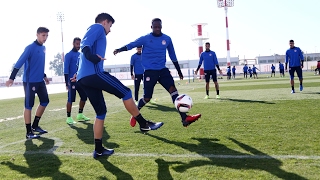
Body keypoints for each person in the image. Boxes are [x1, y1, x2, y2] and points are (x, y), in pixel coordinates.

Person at [74, 13, 163, 158]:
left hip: (84, 78)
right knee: (126, 92)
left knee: (101, 112)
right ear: (104, 22)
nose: (110, 29)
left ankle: (98, 150)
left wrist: (77, 73)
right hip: (94, 74)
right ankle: (143, 123)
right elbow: (84, 44)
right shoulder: (97, 27)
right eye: (110, 25)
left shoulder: (98, 33)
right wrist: (91, 57)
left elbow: (80, 57)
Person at [113, 18, 201, 128]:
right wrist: (119, 49)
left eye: (159, 26)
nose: (157, 29)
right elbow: (132, 44)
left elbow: (173, 55)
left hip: (163, 70)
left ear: (162, 26)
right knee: (147, 98)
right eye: (155, 27)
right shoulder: (145, 38)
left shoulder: (167, 39)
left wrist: (179, 71)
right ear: (151, 27)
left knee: (173, 90)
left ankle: (184, 118)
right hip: (150, 72)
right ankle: (135, 114)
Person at [6, 27, 50, 139]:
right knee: (29, 105)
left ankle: (35, 126)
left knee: (45, 101)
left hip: (40, 81)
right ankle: (28, 132)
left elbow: (38, 65)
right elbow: (19, 62)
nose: (45, 38)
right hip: (30, 82)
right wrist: (11, 78)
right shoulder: (30, 48)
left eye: (46, 36)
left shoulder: (44, 48)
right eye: (43, 35)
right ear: (37, 35)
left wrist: (44, 76)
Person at [64, 37, 90, 125]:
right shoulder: (68, 55)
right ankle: (68, 117)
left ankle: (80, 114)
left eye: (79, 44)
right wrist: (66, 82)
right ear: (73, 43)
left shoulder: (81, 55)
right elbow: (66, 69)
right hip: (71, 81)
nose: (78, 46)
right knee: (71, 99)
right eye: (77, 44)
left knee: (84, 97)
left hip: (80, 80)